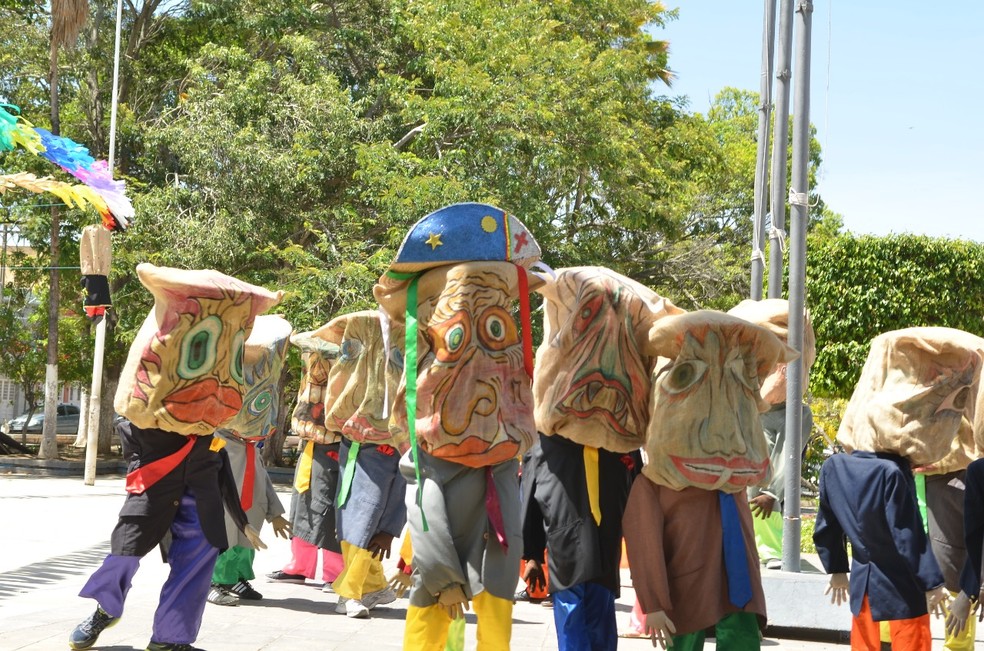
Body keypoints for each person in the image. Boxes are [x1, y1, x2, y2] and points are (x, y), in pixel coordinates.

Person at [69, 264, 282, 651]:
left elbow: (227, 442)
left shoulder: (218, 380)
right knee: (125, 552)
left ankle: (171, 639)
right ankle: (105, 608)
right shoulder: (151, 390)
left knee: (198, 559)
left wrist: (239, 517)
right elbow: (131, 416)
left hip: (200, 485)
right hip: (154, 482)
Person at [374, 202, 542, 650]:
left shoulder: (506, 431)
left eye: (494, 325)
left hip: (496, 486)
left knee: (495, 593)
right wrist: (441, 571)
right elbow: (425, 508)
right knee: (435, 602)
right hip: (442, 472)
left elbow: (512, 526)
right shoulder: (431, 408)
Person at [521, 266, 675, 650]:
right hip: (566, 554)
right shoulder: (550, 443)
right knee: (574, 622)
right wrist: (531, 555)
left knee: (601, 625)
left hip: (605, 558)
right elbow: (530, 498)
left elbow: (640, 504)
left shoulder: (622, 452)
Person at [623, 311, 797, 650]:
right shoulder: (655, 483)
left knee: (743, 640)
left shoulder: (733, 481)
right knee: (685, 641)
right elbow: (644, 543)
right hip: (684, 590)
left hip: (739, 587)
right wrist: (654, 603)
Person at [814, 327, 984, 651]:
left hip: (863, 589)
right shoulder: (891, 472)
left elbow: (825, 526)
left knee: (866, 644)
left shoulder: (833, 467)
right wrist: (932, 584)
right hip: (902, 591)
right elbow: (907, 535)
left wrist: (836, 568)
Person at [319, 310, 407, 618]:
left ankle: (372, 585)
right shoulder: (363, 330)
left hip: (398, 441)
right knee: (361, 514)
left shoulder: (414, 332)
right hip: (362, 443)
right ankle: (349, 591)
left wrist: (392, 529)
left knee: (384, 511)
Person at [208, 315, 294, 606]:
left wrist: (274, 512)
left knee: (246, 543)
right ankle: (214, 581)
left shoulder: (250, 447)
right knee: (226, 538)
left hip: (251, 507)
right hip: (227, 508)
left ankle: (238, 577)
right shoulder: (217, 441)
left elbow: (262, 478)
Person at [728, 299, 816, 569]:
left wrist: (773, 493)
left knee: (764, 495)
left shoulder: (798, 414)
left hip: (767, 490)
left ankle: (768, 548)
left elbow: (786, 460)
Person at [265, 328, 345, 589]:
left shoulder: (346, 368)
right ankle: (300, 565)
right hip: (312, 443)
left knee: (329, 507)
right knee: (303, 504)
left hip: (335, 445)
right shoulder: (312, 372)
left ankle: (335, 572)